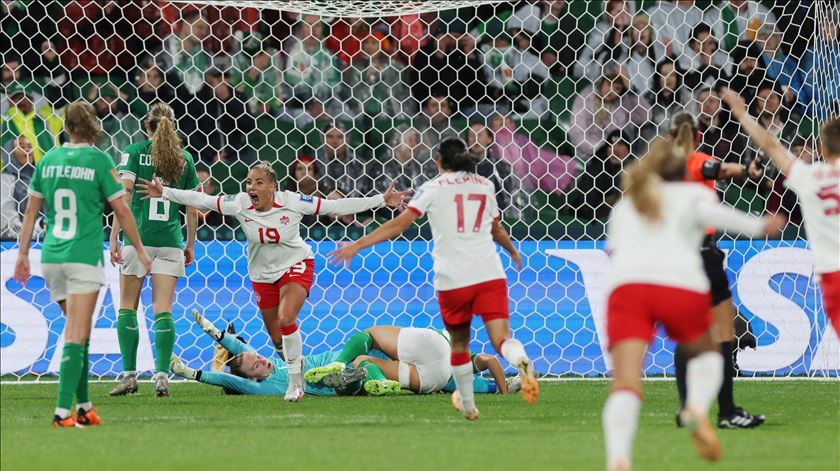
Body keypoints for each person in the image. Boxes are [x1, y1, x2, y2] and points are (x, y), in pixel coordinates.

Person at [136, 161, 409, 402]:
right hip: (262, 276)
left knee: (286, 316)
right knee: (277, 337)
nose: (251, 187)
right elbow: (203, 201)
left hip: (296, 264)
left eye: (258, 182)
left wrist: (381, 200)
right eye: (248, 182)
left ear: (272, 187)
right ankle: (293, 365)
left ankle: (295, 383)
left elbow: (334, 206)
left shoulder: (292, 201)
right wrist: (165, 193)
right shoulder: (239, 203)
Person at [601, 133, 782, 471]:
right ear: (681, 169)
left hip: (628, 288)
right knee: (710, 353)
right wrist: (766, 223)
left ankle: (618, 459)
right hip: (679, 284)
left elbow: (613, 251)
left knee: (625, 382)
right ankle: (697, 406)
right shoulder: (693, 196)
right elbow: (742, 223)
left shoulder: (626, 203)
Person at [329, 137, 538, 420]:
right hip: (489, 271)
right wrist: (513, 251)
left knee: (459, 344)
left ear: (438, 162)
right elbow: (496, 229)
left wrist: (358, 244)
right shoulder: (485, 185)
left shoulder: (432, 188)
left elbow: (398, 224)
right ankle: (521, 362)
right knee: (502, 339)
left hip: (453, 278)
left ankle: (468, 405)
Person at [13, 102, 151, 428]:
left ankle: (85, 407)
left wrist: (21, 255)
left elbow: (31, 213)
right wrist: (140, 250)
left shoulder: (47, 160)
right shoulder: (99, 160)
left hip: (51, 257)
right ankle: (63, 412)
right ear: (91, 127)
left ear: (66, 127)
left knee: (81, 333)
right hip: (83, 257)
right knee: (76, 333)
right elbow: (122, 210)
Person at [667, 111, 765, 430]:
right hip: (704, 255)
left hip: (675, 258)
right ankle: (727, 411)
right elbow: (715, 168)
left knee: (687, 335)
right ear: (697, 136)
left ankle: (686, 408)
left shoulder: (660, 169)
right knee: (724, 333)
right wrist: (746, 171)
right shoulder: (694, 160)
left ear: (669, 137)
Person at [721, 87, 840, 336]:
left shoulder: (811, 176)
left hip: (832, 273)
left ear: (823, 151)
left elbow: (772, 147)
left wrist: (742, 114)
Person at [171, 310, 511, 397]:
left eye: (255, 356)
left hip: (368, 362)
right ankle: (361, 376)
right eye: (254, 365)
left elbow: (238, 347)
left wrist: (211, 330)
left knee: (443, 377)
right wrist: (190, 373)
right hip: (339, 381)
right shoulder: (268, 385)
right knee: (364, 354)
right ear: (250, 377)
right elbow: (225, 377)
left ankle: (495, 385)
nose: (258, 359)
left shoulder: (277, 362)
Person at [107, 102, 200, 397]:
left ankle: (130, 376)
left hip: (139, 240)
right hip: (170, 241)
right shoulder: (184, 158)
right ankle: (161, 376)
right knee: (164, 309)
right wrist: (189, 244)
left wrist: (113, 236)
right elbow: (193, 208)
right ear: (173, 126)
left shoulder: (134, 153)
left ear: (146, 126)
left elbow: (125, 193)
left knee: (127, 306)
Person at [304, 325, 512, 395]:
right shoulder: (460, 373)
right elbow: (491, 361)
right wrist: (502, 390)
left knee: (369, 340)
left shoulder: (446, 339)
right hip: (433, 380)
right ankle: (377, 382)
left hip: (434, 344)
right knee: (367, 362)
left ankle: (341, 362)